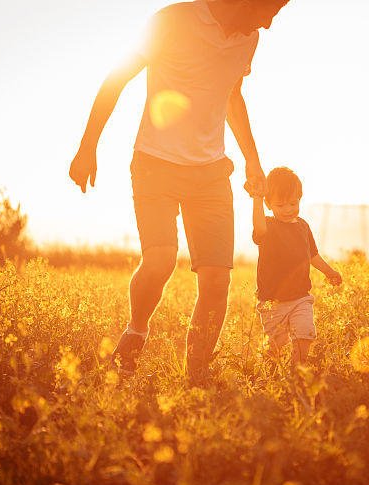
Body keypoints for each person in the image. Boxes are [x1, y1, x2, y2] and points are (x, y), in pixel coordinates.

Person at [68, 0, 290, 386]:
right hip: (155, 163)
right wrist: (88, 146)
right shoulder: (173, 20)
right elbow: (117, 77)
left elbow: (232, 94)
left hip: (211, 173)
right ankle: (137, 329)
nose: (269, 24)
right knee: (159, 262)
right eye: (269, 10)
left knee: (218, 282)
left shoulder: (248, 39)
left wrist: (253, 160)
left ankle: (197, 377)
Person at [252, 167, 342, 364]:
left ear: (300, 198)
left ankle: (297, 371)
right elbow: (258, 228)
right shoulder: (267, 226)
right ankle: (270, 375)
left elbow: (313, 255)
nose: (288, 209)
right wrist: (257, 198)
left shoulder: (302, 226)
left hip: (301, 297)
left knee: (304, 334)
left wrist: (329, 271)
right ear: (268, 204)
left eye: (293, 203)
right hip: (272, 302)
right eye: (280, 205)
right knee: (274, 347)